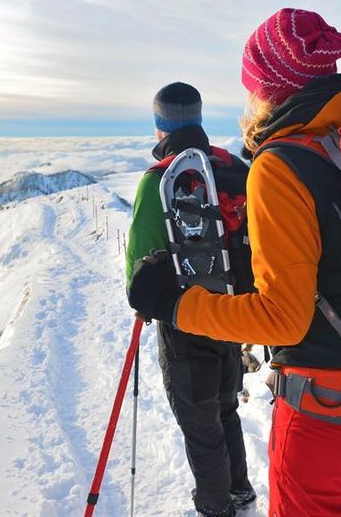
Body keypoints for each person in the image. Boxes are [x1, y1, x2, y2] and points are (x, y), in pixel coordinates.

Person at [128, 10, 341, 516]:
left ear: (268, 87)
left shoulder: (281, 165)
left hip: (329, 418)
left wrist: (174, 304)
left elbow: (283, 319)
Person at [125, 82, 256, 517]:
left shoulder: (158, 180)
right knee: (224, 407)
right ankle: (240, 491)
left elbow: (140, 266)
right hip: (235, 313)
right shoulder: (234, 167)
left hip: (185, 319)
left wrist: (146, 302)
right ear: (198, 118)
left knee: (199, 420)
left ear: (159, 124)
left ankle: (215, 505)